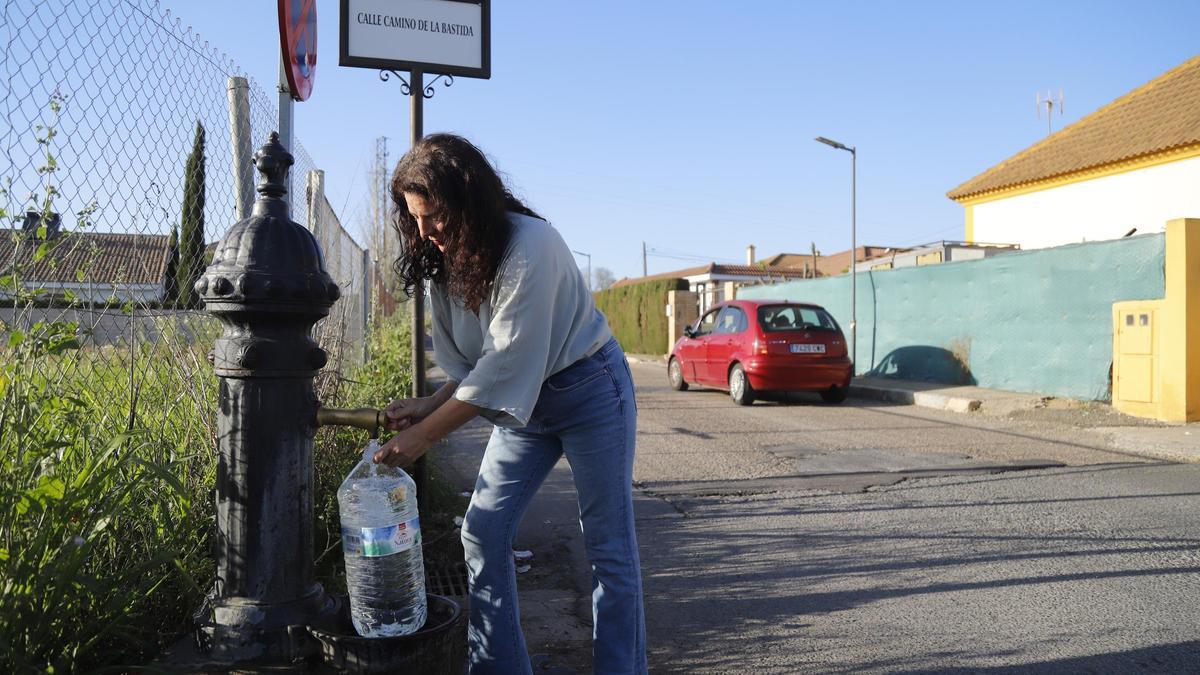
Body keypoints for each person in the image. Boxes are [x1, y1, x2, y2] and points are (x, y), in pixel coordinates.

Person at [375, 133, 647, 675]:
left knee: (608, 549)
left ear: (469, 201)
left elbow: (505, 364)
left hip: (589, 390)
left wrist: (425, 435)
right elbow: (481, 366)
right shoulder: (444, 265)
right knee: (482, 531)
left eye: (435, 216)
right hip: (524, 409)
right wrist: (431, 405)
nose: (426, 233)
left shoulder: (532, 246)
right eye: (415, 219)